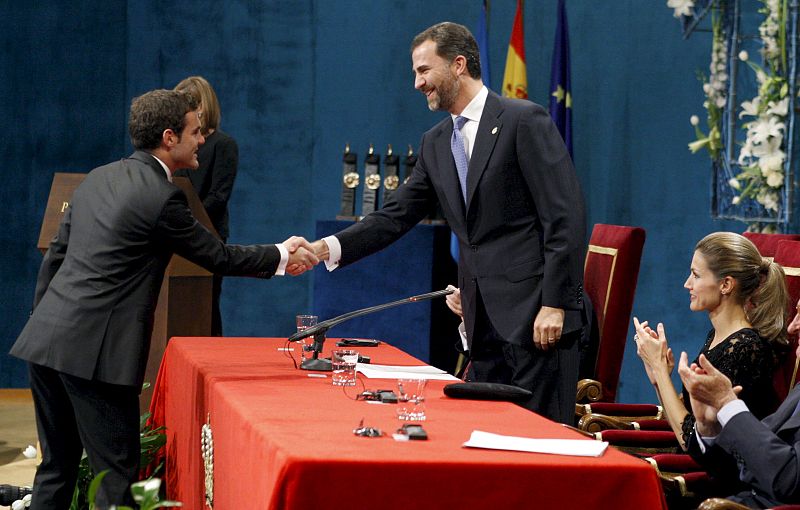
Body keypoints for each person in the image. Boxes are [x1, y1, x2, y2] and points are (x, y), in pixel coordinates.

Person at [9, 89, 318, 509]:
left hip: (44, 343)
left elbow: (55, 260)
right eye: (195, 131)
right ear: (169, 137)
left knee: (56, 469)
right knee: (114, 477)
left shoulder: (97, 178)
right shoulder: (161, 197)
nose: (203, 140)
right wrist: (283, 253)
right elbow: (217, 256)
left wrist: (42, 321)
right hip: (94, 356)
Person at [309, 22, 587, 424]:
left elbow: (565, 215)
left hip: (536, 323)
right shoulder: (436, 143)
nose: (417, 83)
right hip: (481, 325)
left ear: (458, 65)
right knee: (491, 444)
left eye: (424, 70)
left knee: (539, 446)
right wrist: (326, 248)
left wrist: (555, 303)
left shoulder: (523, 121)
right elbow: (395, 215)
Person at [633, 232, 787, 450]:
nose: (687, 284)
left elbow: (695, 444)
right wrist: (659, 378)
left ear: (725, 284)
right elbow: (688, 423)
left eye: (696, 275)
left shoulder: (746, 347)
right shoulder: (717, 337)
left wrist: (659, 369)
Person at [679, 298, 800, 508]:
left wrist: (727, 403)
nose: (792, 327)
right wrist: (709, 426)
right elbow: (736, 469)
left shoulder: (746, 346)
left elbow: (788, 481)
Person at [173, 76, 238, 335]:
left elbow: (218, 196)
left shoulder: (223, 145)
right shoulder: (176, 146)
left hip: (208, 235)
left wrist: (187, 220)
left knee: (206, 305)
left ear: (204, 106)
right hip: (177, 233)